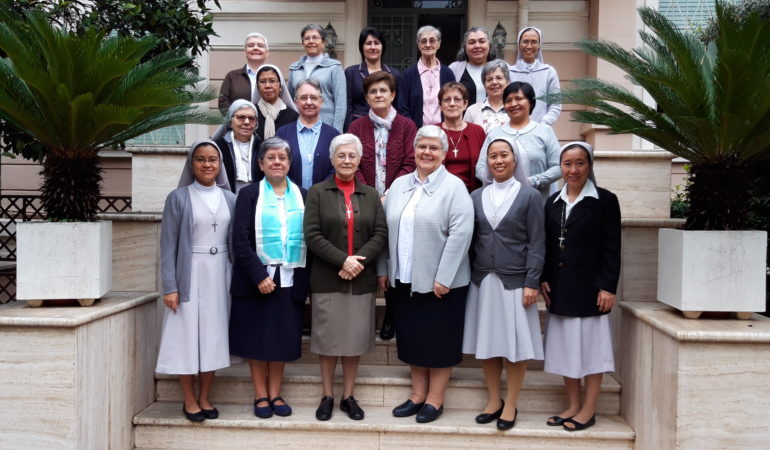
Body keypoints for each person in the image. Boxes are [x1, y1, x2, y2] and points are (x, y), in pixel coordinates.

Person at [379, 125, 474, 424]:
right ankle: (417, 395)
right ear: (414, 150)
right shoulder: (399, 185)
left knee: (440, 341)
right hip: (404, 279)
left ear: (444, 154)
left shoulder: (455, 187)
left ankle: (436, 398)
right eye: (422, 147)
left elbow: (461, 233)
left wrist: (444, 276)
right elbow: (384, 229)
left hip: (441, 283)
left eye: (434, 148)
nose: (427, 152)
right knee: (413, 339)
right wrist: (384, 269)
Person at [462, 136, 545, 430]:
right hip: (482, 280)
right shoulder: (475, 197)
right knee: (487, 342)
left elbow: (537, 242)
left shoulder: (530, 196)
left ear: (515, 159)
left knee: (515, 345)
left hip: (516, 282)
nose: (498, 161)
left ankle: (511, 403)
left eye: (504, 155)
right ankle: (494, 399)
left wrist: (532, 281)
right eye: (493, 156)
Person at [303, 134, 388, 421]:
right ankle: (327, 395)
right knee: (327, 341)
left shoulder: (371, 194)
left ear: (360, 159)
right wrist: (343, 260)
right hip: (327, 278)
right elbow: (312, 235)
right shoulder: (317, 192)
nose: (347, 160)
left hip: (360, 279)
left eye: (352, 155)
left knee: (353, 342)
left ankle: (348, 396)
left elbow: (380, 234)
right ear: (332, 159)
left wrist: (356, 263)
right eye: (341, 155)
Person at [540, 142, 621, 432]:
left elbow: (612, 248)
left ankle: (589, 408)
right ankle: (573, 404)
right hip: (560, 288)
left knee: (591, 352)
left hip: (591, 289)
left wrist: (608, 287)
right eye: (567, 164)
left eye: (580, 163)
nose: (573, 170)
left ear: (589, 166)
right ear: (560, 167)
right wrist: (544, 278)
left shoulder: (604, 200)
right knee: (564, 351)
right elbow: (548, 246)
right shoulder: (552, 203)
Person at [229, 137, 308, 419]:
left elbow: (308, 240)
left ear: (289, 163)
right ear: (261, 163)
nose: (277, 162)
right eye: (271, 157)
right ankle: (260, 394)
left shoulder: (303, 195)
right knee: (257, 338)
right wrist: (259, 275)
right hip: (257, 280)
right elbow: (240, 239)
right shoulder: (249, 195)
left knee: (282, 339)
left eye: (282, 158)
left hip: (290, 277)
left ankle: (276, 393)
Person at [157, 140, 236, 422]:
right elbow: (168, 246)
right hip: (189, 273)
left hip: (220, 275)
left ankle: (205, 397)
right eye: (200, 159)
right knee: (186, 337)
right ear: (192, 164)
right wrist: (170, 286)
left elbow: (235, 244)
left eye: (212, 159)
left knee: (212, 337)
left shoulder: (230, 199)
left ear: (220, 164)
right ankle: (189, 399)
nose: (207, 164)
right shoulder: (178, 198)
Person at [348, 70, 416, 340]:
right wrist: (370, 193)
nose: (378, 95)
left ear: (393, 95)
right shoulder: (356, 127)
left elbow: (410, 162)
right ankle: (361, 314)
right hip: (364, 198)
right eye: (373, 92)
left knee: (394, 256)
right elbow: (351, 161)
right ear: (366, 97)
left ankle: (391, 314)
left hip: (398, 197)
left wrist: (390, 192)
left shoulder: (407, 126)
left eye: (383, 91)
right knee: (367, 251)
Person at [476, 82, 561, 201]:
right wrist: (500, 183)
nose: (513, 104)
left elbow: (558, 167)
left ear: (531, 102)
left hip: (537, 202)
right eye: (508, 100)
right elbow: (480, 167)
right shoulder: (494, 134)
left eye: (518, 99)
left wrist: (531, 181)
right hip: (500, 201)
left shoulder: (544, 131)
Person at [276, 79, 339, 189]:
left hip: (325, 198)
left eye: (313, 98)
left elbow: (338, 167)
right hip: (289, 196)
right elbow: (276, 165)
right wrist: (296, 190)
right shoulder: (282, 133)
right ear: (295, 101)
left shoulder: (334, 135)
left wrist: (320, 191)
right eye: (303, 98)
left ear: (321, 101)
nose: (309, 102)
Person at [288, 24, 346, 133]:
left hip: (326, 125)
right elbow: (290, 102)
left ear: (323, 42)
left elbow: (340, 104)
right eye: (307, 38)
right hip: (300, 126)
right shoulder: (294, 68)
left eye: (315, 37)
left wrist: (337, 131)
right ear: (303, 43)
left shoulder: (334, 67)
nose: (311, 41)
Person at [396, 26, 455, 128]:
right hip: (416, 134)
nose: (428, 45)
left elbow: (453, 103)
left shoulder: (447, 74)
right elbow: (402, 108)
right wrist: (413, 130)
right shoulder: (407, 75)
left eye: (432, 41)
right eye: (423, 41)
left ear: (438, 44)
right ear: (418, 45)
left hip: (443, 133)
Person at [344, 27, 400, 131]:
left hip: (388, 128)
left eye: (376, 43)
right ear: (362, 47)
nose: (373, 47)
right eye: (368, 43)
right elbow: (347, 106)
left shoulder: (394, 74)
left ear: (382, 46)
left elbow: (397, 106)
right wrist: (349, 131)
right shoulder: (351, 73)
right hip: (359, 127)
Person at [437, 82, 486, 192]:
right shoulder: (433, 132)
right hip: (439, 194)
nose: (452, 104)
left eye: (457, 99)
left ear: (465, 104)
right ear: (440, 106)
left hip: (473, 193)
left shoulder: (477, 131)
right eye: (447, 100)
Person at [508, 26, 561, 126]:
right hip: (514, 130)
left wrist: (543, 124)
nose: (529, 46)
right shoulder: (509, 72)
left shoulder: (549, 72)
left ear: (539, 45)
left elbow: (555, 105)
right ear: (519, 45)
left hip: (541, 130)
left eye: (534, 42)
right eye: (525, 41)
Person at [215, 99, 262, 193]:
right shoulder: (218, 147)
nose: (247, 122)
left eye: (252, 118)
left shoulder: (263, 148)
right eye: (241, 117)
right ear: (230, 121)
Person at [219, 32, 270, 114]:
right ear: (245, 52)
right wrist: (238, 119)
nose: (255, 48)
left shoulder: (275, 77)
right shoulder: (232, 76)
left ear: (267, 53)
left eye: (260, 46)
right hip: (238, 125)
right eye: (251, 45)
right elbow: (223, 103)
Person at [449, 27, 497, 107]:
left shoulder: (501, 68)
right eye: (472, 42)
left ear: (489, 45)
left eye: (482, 41)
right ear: (465, 47)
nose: (477, 46)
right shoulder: (454, 69)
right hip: (463, 119)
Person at [252, 64, 299, 140]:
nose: (267, 85)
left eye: (272, 81)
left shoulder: (293, 117)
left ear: (280, 86)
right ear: (257, 87)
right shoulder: (251, 114)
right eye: (263, 81)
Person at [464, 59, 510, 133]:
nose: (494, 82)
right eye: (489, 79)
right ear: (484, 85)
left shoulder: (516, 109)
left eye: (499, 78)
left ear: (508, 82)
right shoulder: (472, 111)